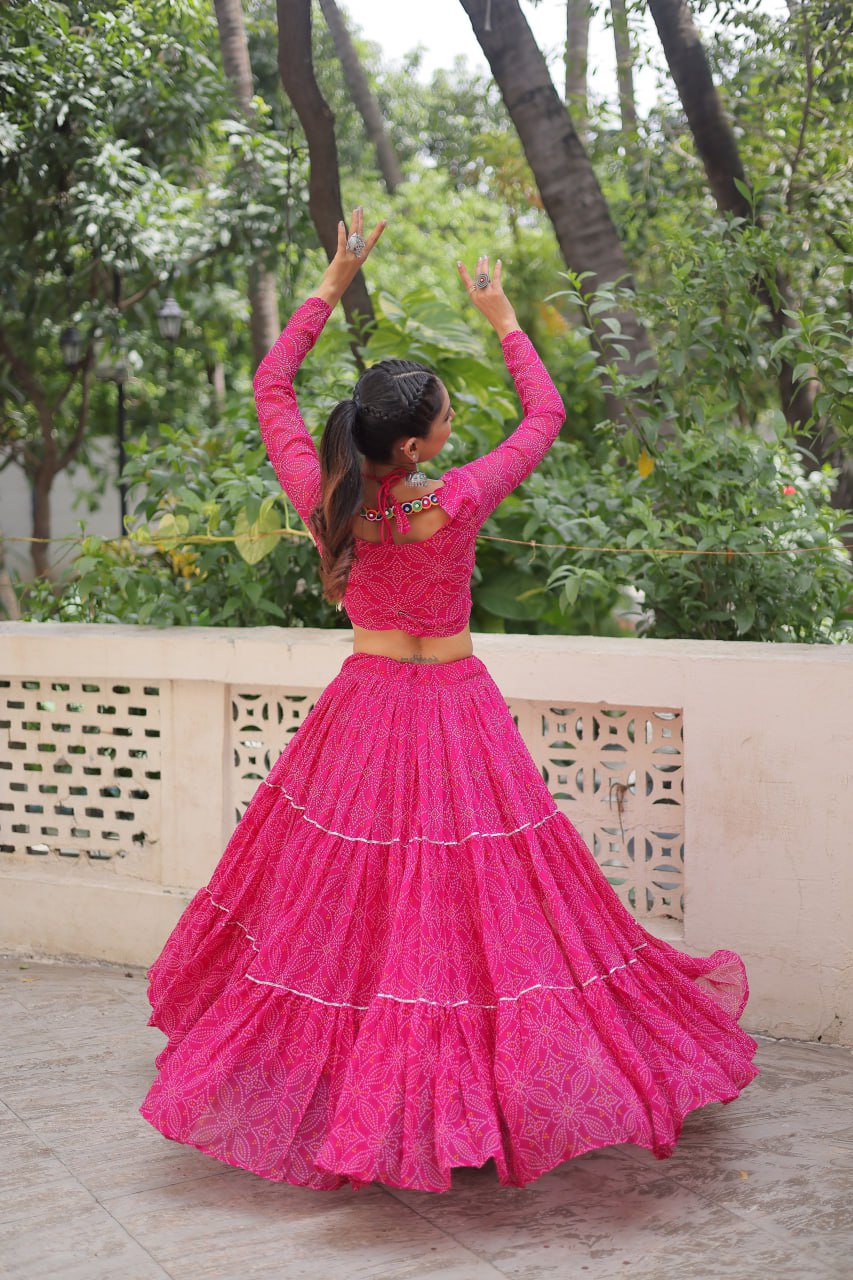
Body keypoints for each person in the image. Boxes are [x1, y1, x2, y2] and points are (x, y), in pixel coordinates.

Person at [139, 208, 759, 1193]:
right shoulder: (454, 499)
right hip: (455, 707)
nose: (449, 424)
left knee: (360, 905)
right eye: (439, 418)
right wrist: (504, 318)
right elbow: (545, 416)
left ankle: (373, 1077)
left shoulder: (325, 494)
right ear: (414, 448)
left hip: (366, 706)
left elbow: (269, 387)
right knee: (477, 903)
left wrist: (330, 284)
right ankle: (456, 1087)